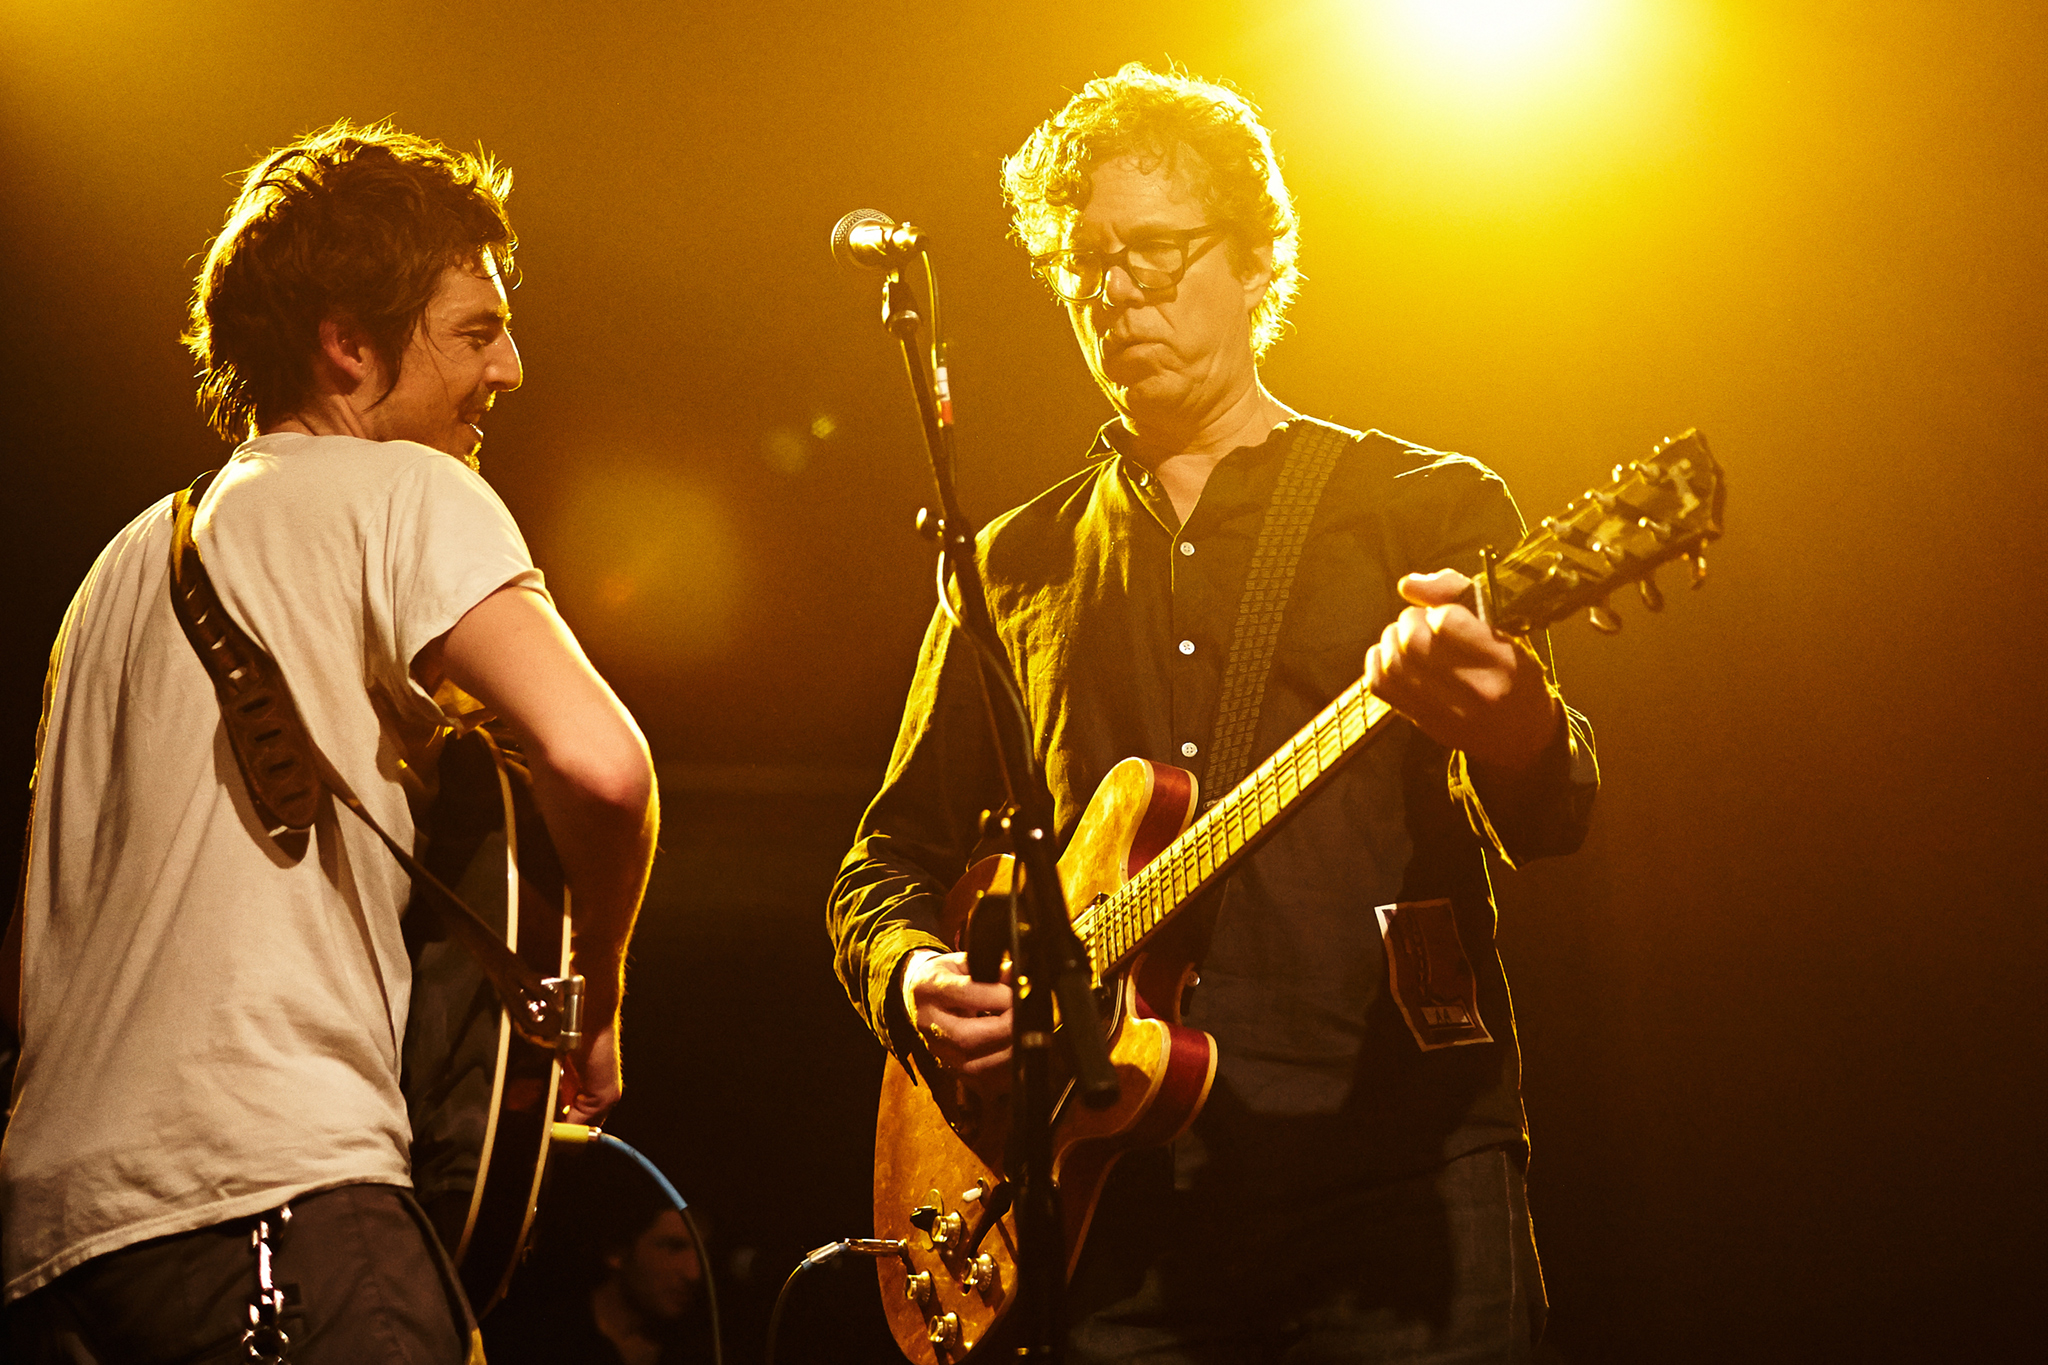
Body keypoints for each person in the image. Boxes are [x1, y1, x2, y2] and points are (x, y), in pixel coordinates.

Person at [828, 65, 1598, 1362]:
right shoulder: (1007, 565)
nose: (1117, 288)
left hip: (1397, 1172)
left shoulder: (1422, 508)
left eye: (1159, 250)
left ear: (1255, 260)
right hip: (1113, 1213)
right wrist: (919, 978)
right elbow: (881, 864)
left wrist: (1515, 717)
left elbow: (1553, 807)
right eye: (1088, 265)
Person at [1, 120, 659, 1363]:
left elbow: (29, 967)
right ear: (348, 344)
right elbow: (602, 766)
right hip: (274, 1198)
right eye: (474, 331)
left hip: (48, 1253)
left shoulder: (114, 574)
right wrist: (595, 994)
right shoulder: (407, 489)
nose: (511, 368)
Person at [482, 1155, 710, 1365]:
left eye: (700, 1253)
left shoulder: (689, 1353)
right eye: (673, 1247)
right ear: (617, 1252)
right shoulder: (538, 1336)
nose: (694, 1273)